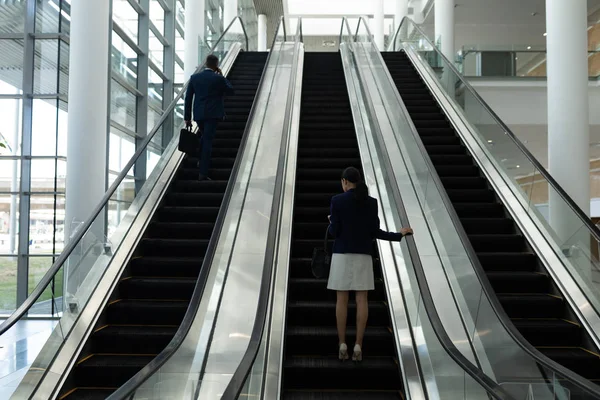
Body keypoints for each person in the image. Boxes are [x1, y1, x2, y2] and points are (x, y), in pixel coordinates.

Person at [327, 167, 413, 362]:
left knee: (341, 300)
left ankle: (342, 343)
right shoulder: (371, 202)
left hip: (341, 255)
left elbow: (334, 232)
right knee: (361, 300)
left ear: (344, 182)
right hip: (363, 257)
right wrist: (398, 234)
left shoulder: (337, 201)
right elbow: (375, 232)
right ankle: (358, 344)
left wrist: (331, 221)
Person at [184, 54, 234, 181]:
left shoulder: (194, 78)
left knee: (205, 137)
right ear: (216, 65)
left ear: (206, 64)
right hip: (213, 114)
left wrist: (187, 117)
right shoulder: (218, 79)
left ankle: (201, 160)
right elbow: (231, 91)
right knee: (207, 141)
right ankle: (203, 173)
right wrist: (222, 76)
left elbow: (188, 98)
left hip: (199, 115)